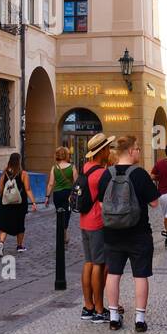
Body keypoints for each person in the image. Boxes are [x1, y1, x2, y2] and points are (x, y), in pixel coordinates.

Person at [97, 136, 161, 332]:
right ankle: (140, 319)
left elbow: (101, 205)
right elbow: (154, 203)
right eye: (139, 149)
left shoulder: (106, 174)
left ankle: (114, 317)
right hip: (139, 232)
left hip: (112, 233)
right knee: (140, 275)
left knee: (113, 274)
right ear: (132, 150)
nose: (139, 152)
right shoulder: (140, 174)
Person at [75, 133, 115, 323]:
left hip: (84, 222)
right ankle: (99, 309)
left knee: (89, 262)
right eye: (108, 147)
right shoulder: (101, 173)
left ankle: (87, 306)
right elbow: (107, 200)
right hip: (98, 223)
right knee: (99, 264)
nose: (110, 150)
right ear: (103, 151)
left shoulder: (86, 168)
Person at [0, 152, 36, 255]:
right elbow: (28, 189)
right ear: (19, 161)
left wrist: (2, 199)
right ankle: (19, 246)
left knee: (4, 226)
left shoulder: (4, 172)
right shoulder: (23, 174)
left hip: (5, 203)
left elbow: (0, 189)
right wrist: (33, 202)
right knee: (20, 225)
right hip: (19, 204)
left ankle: (1, 244)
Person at [50, 147, 76, 244]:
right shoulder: (72, 167)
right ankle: (64, 233)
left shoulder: (54, 167)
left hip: (57, 194)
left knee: (59, 213)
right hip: (68, 193)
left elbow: (51, 183)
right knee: (67, 213)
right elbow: (76, 182)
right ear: (66, 155)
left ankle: (62, 233)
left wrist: (47, 196)